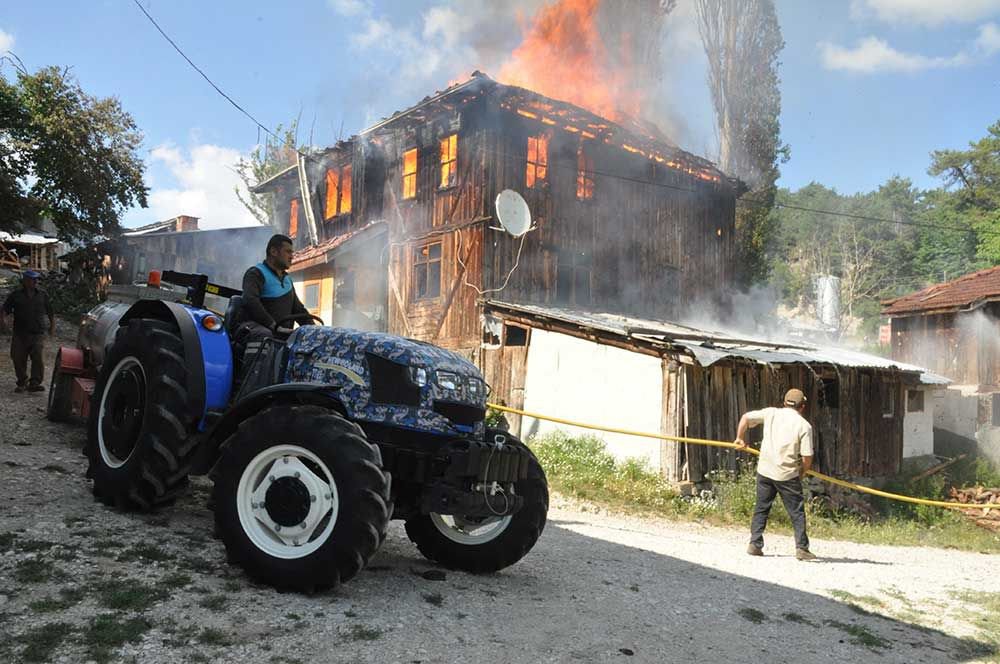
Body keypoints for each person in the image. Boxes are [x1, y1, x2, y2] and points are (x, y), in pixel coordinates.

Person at [734, 388, 816, 561]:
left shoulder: (771, 413)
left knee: (761, 507)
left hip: (765, 470)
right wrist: (802, 471)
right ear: (803, 407)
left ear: (784, 402)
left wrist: (740, 438)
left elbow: (746, 418)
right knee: (796, 512)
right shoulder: (804, 426)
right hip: (787, 474)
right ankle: (802, 548)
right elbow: (807, 457)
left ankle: (755, 544)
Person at [232, 234, 314, 347]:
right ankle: (257, 365)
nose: (292, 256)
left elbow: (299, 310)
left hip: (279, 332)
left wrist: (315, 330)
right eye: (288, 252)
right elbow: (250, 301)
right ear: (274, 252)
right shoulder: (256, 273)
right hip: (252, 329)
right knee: (265, 336)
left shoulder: (287, 280)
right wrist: (274, 326)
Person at [1, 270, 55, 393]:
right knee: (18, 357)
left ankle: (35, 383)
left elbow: (50, 312)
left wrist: (52, 327)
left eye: (36, 279)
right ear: (25, 281)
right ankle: (22, 382)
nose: (35, 282)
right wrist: (3, 322)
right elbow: (5, 310)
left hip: (38, 333)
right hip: (20, 333)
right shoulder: (16, 295)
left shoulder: (42, 295)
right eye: (32, 279)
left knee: (38, 357)